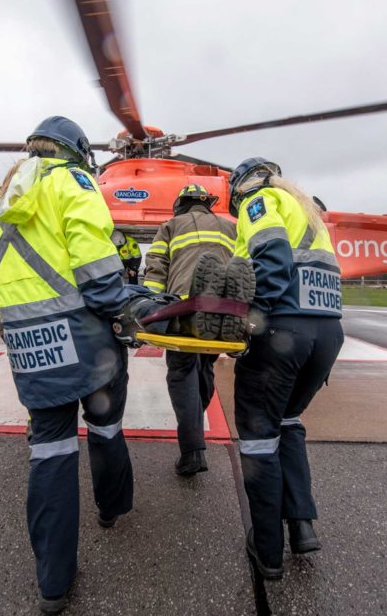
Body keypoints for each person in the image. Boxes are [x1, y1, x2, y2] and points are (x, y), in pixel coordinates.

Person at [0, 116, 141, 615]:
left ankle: (53, 582)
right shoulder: (73, 182)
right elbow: (97, 276)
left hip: (30, 348)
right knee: (106, 426)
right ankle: (111, 508)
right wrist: (132, 304)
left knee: (50, 452)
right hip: (86, 342)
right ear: (75, 153)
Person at [227, 157, 345, 581]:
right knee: (289, 421)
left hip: (283, 333)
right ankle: (301, 525)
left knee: (259, 438)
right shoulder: (306, 211)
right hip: (326, 335)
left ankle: (268, 550)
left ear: (240, 186)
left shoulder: (258, 202)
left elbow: (271, 260)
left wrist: (250, 321)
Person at [143, 184, 238, 476]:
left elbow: (157, 268)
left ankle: (192, 451)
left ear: (179, 205)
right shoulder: (229, 227)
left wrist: (150, 310)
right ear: (207, 204)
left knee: (182, 370)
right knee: (205, 365)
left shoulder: (170, 226)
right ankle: (195, 427)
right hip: (224, 311)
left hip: (184, 307)